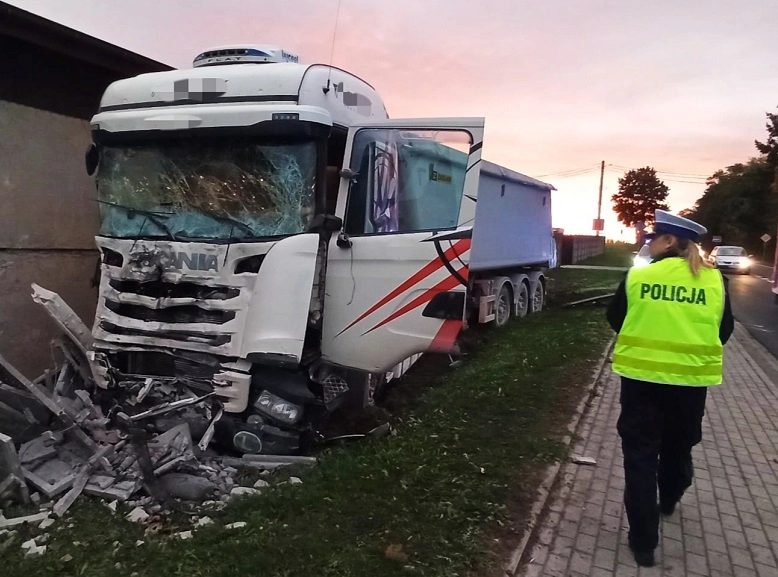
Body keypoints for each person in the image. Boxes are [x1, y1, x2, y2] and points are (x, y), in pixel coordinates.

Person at [606, 210, 734, 567]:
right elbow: (724, 330)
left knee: (640, 455)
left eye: (652, 238)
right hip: (690, 382)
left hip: (641, 379)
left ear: (668, 241)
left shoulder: (639, 276)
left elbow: (615, 317)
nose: (648, 243)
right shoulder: (714, 281)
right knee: (679, 444)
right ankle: (671, 496)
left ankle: (644, 544)